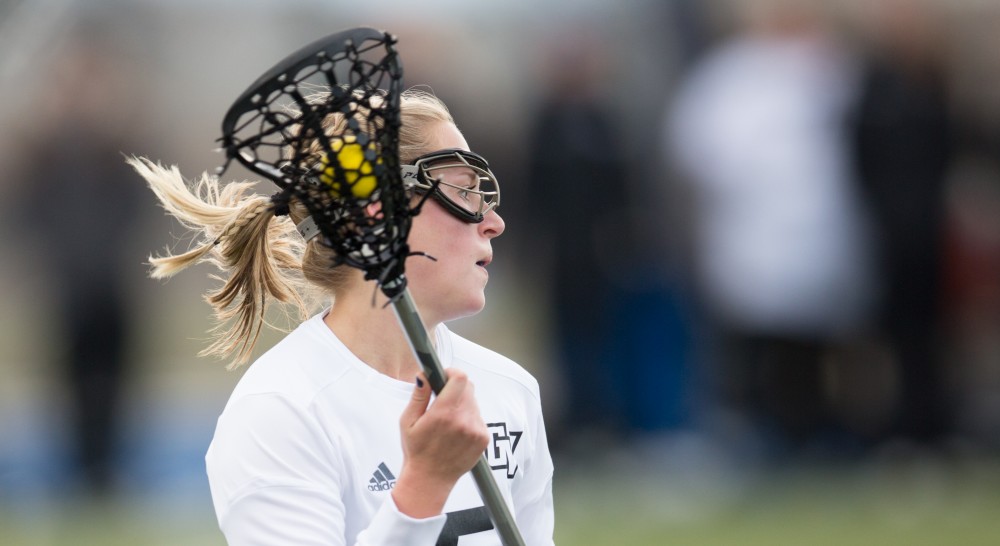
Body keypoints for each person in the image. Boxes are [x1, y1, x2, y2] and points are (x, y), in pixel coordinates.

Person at [128, 89, 554, 545]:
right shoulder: (281, 409)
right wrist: (422, 488)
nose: (493, 222)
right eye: (462, 190)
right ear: (377, 213)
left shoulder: (512, 392)